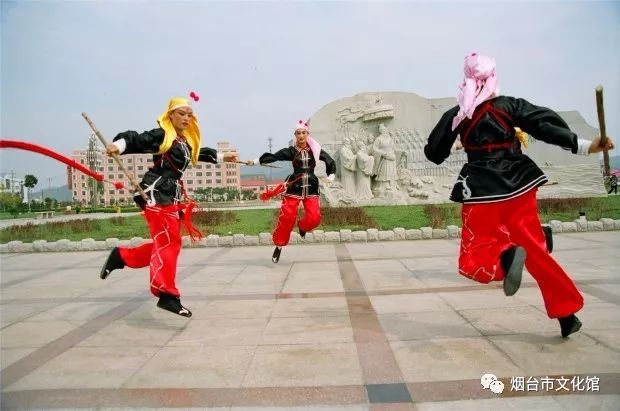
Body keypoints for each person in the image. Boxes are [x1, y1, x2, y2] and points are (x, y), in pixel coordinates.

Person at [424, 53, 615, 338]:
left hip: (482, 191)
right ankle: (566, 314)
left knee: (473, 257)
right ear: (493, 76)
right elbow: (544, 125)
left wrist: (455, 134)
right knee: (535, 251)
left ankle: (507, 257)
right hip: (520, 185)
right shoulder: (508, 106)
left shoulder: (459, 114)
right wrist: (586, 145)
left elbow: (434, 153)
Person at [99, 96, 237, 317]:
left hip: (171, 195)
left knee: (167, 242)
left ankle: (122, 256)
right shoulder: (162, 135)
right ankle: (167, 295)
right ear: (170, 115)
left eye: (189, 115)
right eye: (181, 114)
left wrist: (222, 157)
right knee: (168, 242)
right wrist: (118, 145)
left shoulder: (183, 141)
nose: (186, 118)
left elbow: (199, 152)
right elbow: (136, 139)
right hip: (156, 192)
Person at [247, 120, 336, 263]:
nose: (301, 136)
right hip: (294, 186)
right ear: (295, 135)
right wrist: (255, 161)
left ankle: (302, 226)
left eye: (303, 133)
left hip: (311, 187)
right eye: (298, 133)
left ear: (307, 134)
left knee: (315, 218)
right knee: (287, 218)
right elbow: (274, 156)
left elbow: (329, 160)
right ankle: (279, 245)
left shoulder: (315, 150)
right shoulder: (291, 151)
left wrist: (331, 175)